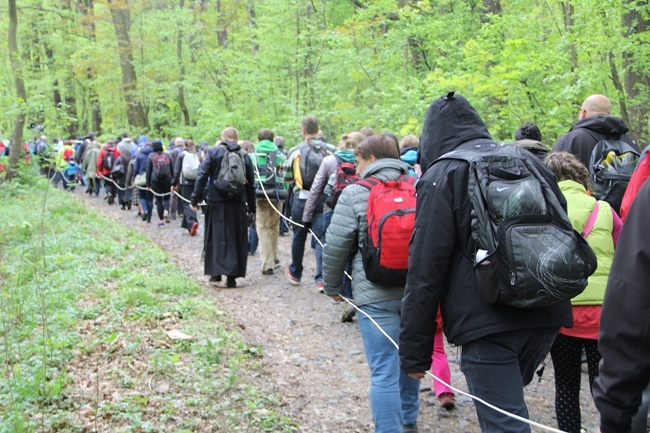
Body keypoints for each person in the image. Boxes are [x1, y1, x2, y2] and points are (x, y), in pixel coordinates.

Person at [399, 93, 572, 433]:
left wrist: (414, 353)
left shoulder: (443, 173)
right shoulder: (529, 161)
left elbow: (425, 268)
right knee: (510, 413)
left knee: (506, 424)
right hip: (546, 312)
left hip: (485, 323)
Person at [323, 133, 420, 433]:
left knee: (383, 371)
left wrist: (333, 287)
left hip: (374, 295)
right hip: (416, 294)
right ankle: (409, 421)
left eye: (360, 161)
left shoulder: (355, 193)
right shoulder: (419, 186)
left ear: (373, 159)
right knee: (410, 362)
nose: (357, 167)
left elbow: (336, 246)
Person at [544, 152, 621, 433]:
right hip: (604, 313)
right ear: (581, 177)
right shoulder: (604, 209)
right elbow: (623, 255)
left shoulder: (546, 209)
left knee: (565, 385)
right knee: (603, 386)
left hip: (562, 312)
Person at [593, 179, 650, 433]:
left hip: (571, 312)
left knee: (566, 384)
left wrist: (614, 411)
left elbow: (634, 290)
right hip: (595, 309)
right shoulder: (603, 209)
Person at [190, 127, 256, 289]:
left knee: (216, 236)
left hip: (216, 201)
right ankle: (232, 277)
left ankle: (215, 274)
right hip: (237, 203)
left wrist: (195, 198)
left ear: (222, 137)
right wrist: (252, 207)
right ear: (237, 138)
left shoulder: (214, 152)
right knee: (236, 237)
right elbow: (251, 184)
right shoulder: (244, 155)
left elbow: (202, 175)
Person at [303, 131, 363, 293]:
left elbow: (316, 189)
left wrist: (307, 216)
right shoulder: (364, 161)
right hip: (358, 209)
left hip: (332, 209)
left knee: (326, 243)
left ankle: (324, 280)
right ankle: (350, 288)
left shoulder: (329, 160)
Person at [284, 116, 335, 288]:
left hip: (302, 198)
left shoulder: (295, 151)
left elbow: (288, 178)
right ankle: (321, 279)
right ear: (317, 129)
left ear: (303, 131)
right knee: (321, 237)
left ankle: (296, 273)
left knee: (299, 236)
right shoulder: (330, 150)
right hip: (323, 199)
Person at [552, 94, 639, 170]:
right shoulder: (629, 142)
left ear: (583, 113)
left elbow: (551, 175)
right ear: (608, 114)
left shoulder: (570, 140)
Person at [251, 129, 286, 275]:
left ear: (259, 140)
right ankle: (275, 257)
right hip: (277, 194)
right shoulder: (280, 155)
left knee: (263, 227)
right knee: (274, 225)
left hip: (260, 194)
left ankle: (267, 264)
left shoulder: (253, 155)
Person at [172, 139, 201, 236]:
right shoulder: (196, 155)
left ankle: (192, 222)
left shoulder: (181, 155)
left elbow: (177, 172)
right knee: (193, 201)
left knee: (187, 203)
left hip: (185, 182)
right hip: (196, 181)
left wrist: (173, 183)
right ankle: (188, 226)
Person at [146, 139, 174, 227]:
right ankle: (166, 211)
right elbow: (173, 169)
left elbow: (148, 171)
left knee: (158, 199)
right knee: (167, 197)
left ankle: (161, 221)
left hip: (155, 180)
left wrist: (148, 185)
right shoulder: (168, 155)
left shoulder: (150, 156)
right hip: (167, 179)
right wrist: (174, 182)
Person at [133, 141, 154, 222]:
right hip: (151, 179)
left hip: (142, 178)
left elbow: (136, 169)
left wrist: (134, 178)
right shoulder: (153, 155)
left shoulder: (140, 155)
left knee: (142, 196)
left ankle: (145, 210)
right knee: (150, 198)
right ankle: (149, 217)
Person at [96, 140, 122, 204]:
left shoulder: (103, 151)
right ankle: (113, 195)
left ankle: (109, 193)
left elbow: (99, 163)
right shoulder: (117, 151)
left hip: (106, 171)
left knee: (107, 183)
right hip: (115, 171)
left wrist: (100, 171)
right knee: (114, 184)